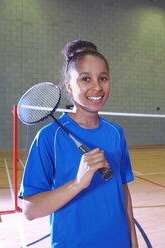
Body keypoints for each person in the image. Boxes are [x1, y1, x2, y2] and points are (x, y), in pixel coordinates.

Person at [19, 40, 138, 247]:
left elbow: (124, 196)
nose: (97, 87)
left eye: (103, 78)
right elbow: (30, 210)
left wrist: (133, 242)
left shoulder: (116, 133)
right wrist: (78, 183)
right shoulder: (49, 137)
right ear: (69, 87)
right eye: (86, 79)